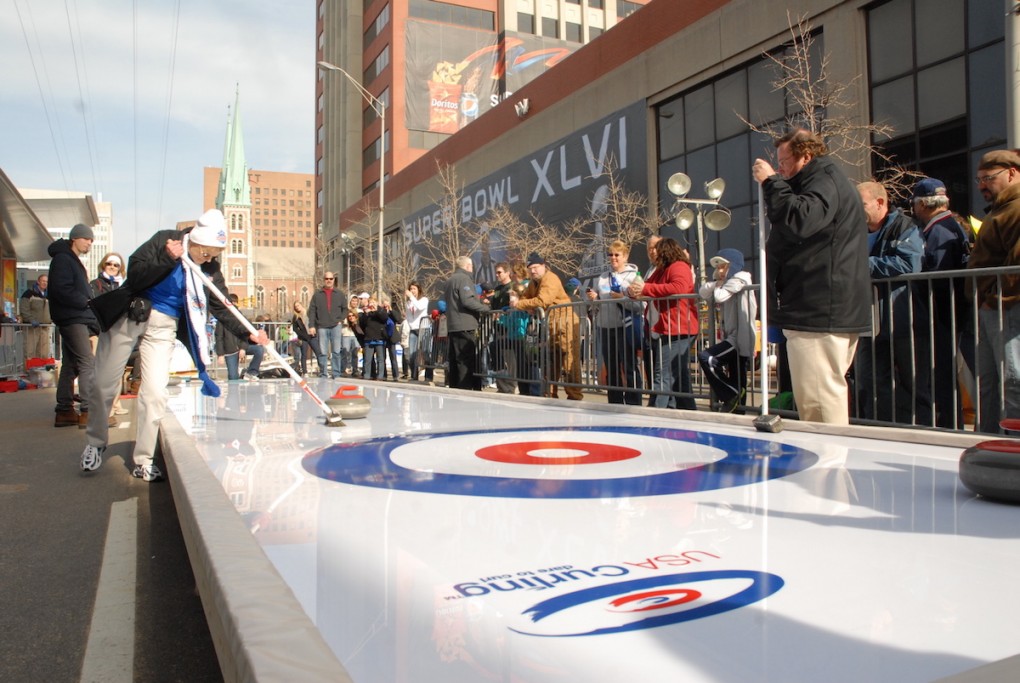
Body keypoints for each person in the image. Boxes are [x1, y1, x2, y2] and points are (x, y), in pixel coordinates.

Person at [82, 209, 269, 480]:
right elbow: (134, 274)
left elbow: (222, 304)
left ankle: (143, 459)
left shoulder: (210, 269)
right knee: (103, 384)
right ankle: (96, 442)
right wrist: (166, 258)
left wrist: (249, 332)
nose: (208, 259)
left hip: (164, 327)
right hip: (132, 315)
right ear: (193, 240)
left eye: (214, 255)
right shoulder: (165, 241)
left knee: (155, 393)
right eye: (205, 252)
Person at [752, 129, 871, 425]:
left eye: (785, 161)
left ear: (806, 156)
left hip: (818, 308)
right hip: (818, 305)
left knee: (819, 399)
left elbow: (800, 220)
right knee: (819, 393)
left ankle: (827, 464)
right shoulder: (823, 181)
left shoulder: (824, 180)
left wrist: (771, 183)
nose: (780, 168)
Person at [855, 181, 927, 424]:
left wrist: (862, 266)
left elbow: (909, 264)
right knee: (870, 383)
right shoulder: (854, 230)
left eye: (861, 204)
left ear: (880, 202)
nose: (856, 209)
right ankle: (877, 430)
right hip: (868, 320)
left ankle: (923, 433)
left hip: (903, 317)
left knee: (914, 382)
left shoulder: (904, 226)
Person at [911, 177, 972, 428]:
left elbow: (935, 273)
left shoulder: (939, 230)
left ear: (923, 204)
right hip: (952, 310)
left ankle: (949, 422)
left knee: (944, 371)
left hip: (943, 312)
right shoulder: (952, 225)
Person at [967, 149, 1020, 433]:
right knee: (990, 382)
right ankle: (989, 442)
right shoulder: (1000, 209)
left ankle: (1014, 447)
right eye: (979, 180)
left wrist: (996, 299)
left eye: (988, 178)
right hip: (994, 308)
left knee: (1013, 380)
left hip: (1007, 307)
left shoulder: (1016, 208)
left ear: (1012, 173)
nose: (982, 186)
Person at [628, 237, 698, 409]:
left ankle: (654, 413)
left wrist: (644, 289)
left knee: (663, 374)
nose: (653, 254)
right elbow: (646, 286)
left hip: (678, 327)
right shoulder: (662, 269)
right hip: (670, 327)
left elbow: (679, 287)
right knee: (678, 375)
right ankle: (689, 412)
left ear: (664, 252)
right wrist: (633, 290)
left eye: (656, 251)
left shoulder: (679, 266)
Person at [48, 223, 100, 428]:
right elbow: (61, 289)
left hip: (73, 317)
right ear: (75, 238)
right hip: (73, 318)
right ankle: (88, 410)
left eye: (92, 240)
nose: (89, 243)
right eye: (87, 239)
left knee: (70, 365)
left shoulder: (69, 260)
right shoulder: (63, 259)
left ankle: (64, 411)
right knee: (87, 362)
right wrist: (85, 302)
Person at [514, 252, 582, 400]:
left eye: (536, 267)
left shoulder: (550, 279)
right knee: (551, 360)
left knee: (569, 359)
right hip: (552, 323)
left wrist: (520, 304)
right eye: (530, 268)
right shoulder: (533, 282)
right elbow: (526, 297)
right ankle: (550, 394)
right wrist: (526, 304)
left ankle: (574, 396)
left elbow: (542, 300)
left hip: (565, 321)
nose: (533, 271)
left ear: (543, 266)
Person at [698, 248, 757, 412]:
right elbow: (703, 292)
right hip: (730, 335)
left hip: (739, 337)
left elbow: (720, 296)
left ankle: (732, 394)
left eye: (723, 267)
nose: (719, 271)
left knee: (707, 358)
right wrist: (716, 282)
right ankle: (737, 406)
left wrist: (718, 284)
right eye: (717, 268)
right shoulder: (723, 282)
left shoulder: (740, 279)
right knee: (738, 374)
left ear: (733, 266)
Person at [587, 240, 644, 404]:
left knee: (629, 367)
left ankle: (634, 402)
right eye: (610, 254)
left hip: (624, 327)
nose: (613, 258)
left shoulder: (634, 276)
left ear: (625, 256)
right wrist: (594, 298)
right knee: (611, 368)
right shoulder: (603, 277)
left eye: (617, 255)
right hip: (605, 326)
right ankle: (614, 403)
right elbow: (597, 302)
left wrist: (622, 298)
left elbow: (640, 305)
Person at [90, 253, 130, 416]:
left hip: (119, 331)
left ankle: (115, 403)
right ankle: (103, 406)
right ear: (103, 265)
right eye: (109, 264)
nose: (112, 267)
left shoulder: (124, 286)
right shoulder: (95, 284)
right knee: (101, 370)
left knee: (118, 369)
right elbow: (93, 307)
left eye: (116, 265)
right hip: (99, 331)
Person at [443, 255, 489, 390]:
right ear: (468, 266)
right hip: (465, 325)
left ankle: (455, 387)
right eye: (472, 267)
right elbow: (467, 301)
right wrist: (485, 308)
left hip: (453, 325)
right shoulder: (464, 279)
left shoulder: (449, 280)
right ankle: (466, 390)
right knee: (465, 361)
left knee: (455, 360)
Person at [307, 272, 348, 379]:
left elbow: (345, 309)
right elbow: (311, 311)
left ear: (334, 280)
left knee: (336, 351)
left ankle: (336, 373)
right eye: (326, 278)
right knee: (322, 352)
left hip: (336, 326)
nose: (329, 280)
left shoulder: (339, 294)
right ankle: (323, 373)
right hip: (322, 326)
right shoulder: (317, 294)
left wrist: (341, 320)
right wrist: (311, 325)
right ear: (324, 279)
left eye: (331, 278)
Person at [215, 294, 265, 381]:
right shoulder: (222, 319)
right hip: (229, 350)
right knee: (233, 377)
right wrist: (220, 354)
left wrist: (243, 348)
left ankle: (251, 372)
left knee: (259, 350)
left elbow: (245, 334)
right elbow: (219, 337)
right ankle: (234, 391)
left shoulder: (241, 317)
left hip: (241, 346)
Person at [19, 274, 51, 364]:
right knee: (30, 352)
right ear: (38, 282)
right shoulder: (28, 294)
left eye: (47, 281)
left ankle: (40, 374)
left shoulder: (49, 295)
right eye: (43, 281)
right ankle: (28, 373)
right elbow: (24, 309)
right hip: (31, 328)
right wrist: (30, 319)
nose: (45, 283)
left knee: (43, 353)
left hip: (44, 327)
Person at [358, 296, 390, 380]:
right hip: (368, 338)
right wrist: (366, 313)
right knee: (367, 359)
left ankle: (380, 375)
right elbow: (362, 323)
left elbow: (384, 318)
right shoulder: (367, 312)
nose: (372, 304)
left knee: (380, 359)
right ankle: (367, 375)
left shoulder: (381, 310)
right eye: (370, 302)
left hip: (379, 338)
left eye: (373, 302)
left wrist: (376, 310)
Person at [405, 282, 429, 381]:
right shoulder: (409, 302)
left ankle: (429, 375)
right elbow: (409, 316)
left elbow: (419, 307)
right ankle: (414, 375)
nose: (412, 291)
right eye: (411, 289)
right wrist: (411, 325)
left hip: (423, 328)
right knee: (411, 354)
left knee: (426, 352)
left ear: (419, 290)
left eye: (414, 289)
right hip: (413, 329)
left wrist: (411, 297)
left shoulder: (424, 300)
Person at [289, 302, 315, 376]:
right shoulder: (296, 316)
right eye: (295, 306)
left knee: (317, 352)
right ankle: (305, 371)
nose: (297, 307)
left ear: (301, 305)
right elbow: (295, 328)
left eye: (298, 305)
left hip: (311, 335)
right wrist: (301, 335)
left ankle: (322, 370)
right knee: (304, 355)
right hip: (303, 337)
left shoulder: (308, 313)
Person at [343, 296, 363, 377]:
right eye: (352, 301)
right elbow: (343, 321)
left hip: (356, 335)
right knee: (345, 352)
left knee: (355, 352)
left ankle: (355, 369)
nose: (354, 302)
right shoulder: (345, 311)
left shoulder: (360, 311)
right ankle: (344, 369)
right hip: (346, 334)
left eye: (355, 301)